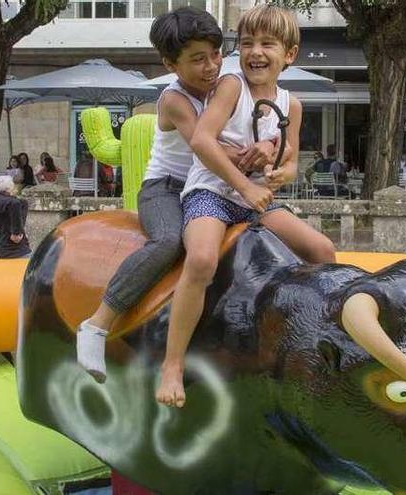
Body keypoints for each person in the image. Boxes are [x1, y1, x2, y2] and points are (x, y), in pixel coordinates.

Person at [78, 6, 278, 383]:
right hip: (166, 189)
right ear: (171, 64)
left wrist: (268, 145)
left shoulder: (228, 86)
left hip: (211, 187)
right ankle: (97, 323)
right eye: (198, 59)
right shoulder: (174, 100)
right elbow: (209, 147)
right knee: (170, 241)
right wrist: (255, 157)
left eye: (216, 55)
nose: (211, 66)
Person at [155, 5, 336, 408]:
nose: (255, 51)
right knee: (201, 259)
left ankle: (318, 342)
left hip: (257, 200)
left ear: (289, 54)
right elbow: (203, 140)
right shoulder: (231, 87)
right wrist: (245, 186)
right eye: (248, 42)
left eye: (267, 44)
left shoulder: (292, 104)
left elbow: (290, 164)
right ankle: (172, 364)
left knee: (322, 250)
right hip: (213, 194)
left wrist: (276, 172)